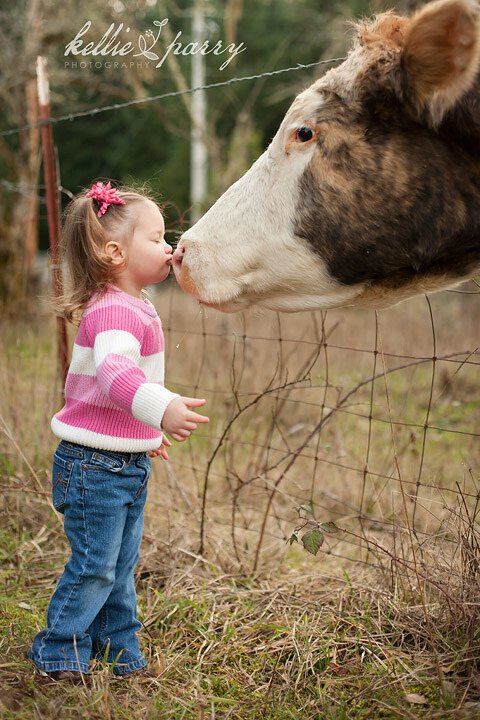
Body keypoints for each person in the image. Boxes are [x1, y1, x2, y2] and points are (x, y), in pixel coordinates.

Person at [28, 180, 209, 682]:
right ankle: (58, 651)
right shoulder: (113, 310)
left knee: (120, 565)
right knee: (95, 566)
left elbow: (121, 395)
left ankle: (118, 649)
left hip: (116, 462)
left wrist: (144, 438)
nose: (169, 247)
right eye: (156, 238)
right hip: (93, 468)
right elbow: (117, 376)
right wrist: (162, 408)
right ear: (115, 253)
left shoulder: (133, 304)